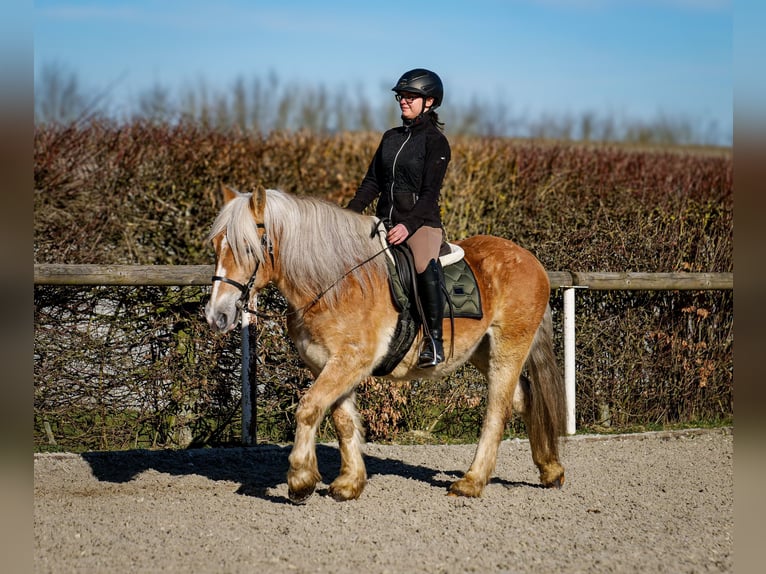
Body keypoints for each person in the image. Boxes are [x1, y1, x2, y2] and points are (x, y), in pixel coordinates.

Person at [347, 68, 451, 368]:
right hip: (382, 222)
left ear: (429, 101)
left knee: (422, 264)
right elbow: (372, 183)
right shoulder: (390, 138)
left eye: (410, 96)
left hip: (420, 225)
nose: (403, 100)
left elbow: (430, 194)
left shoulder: (436, 142)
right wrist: (346, 216)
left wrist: (408, 225)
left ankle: (434, 341)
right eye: (401, 96)